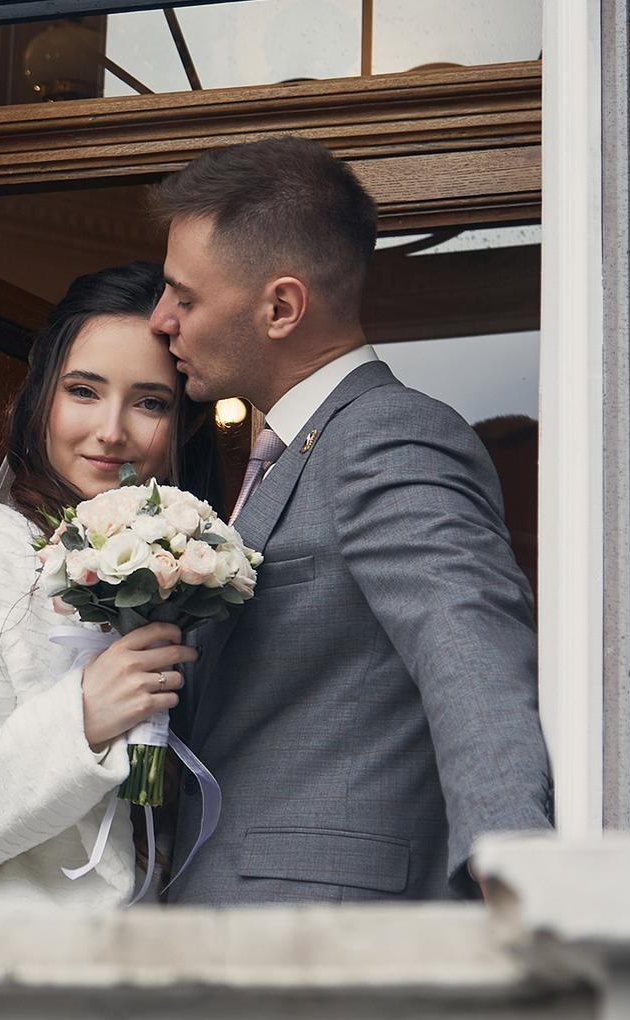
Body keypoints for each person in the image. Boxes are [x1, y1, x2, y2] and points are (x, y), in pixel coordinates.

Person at [151, 137, 553, 904]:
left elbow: (467, 651)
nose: (160, 318)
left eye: (185, 297)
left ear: (281, 307)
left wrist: (515, 875)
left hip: (327, 933)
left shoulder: (389, 436)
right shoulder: (280, 450)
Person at [0, 263, 205, 908]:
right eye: (83, 390)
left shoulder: (198, 571)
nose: (112, 430)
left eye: (149, 402)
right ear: (40, 399)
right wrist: (80, 718)